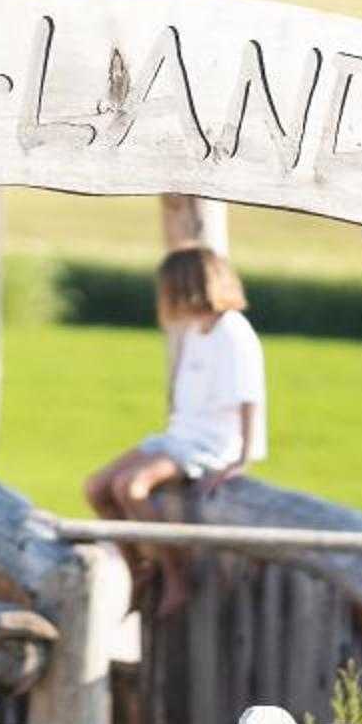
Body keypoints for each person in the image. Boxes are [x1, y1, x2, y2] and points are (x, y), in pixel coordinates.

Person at [82, 245, 267, 613]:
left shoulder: (233, 332)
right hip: (180, 437)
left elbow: (250, 398)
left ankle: (177, 573)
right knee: (96, 488)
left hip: (209, 444)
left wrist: (241, 460)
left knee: (131, 487)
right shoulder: (196, 331)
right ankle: (138, 566)